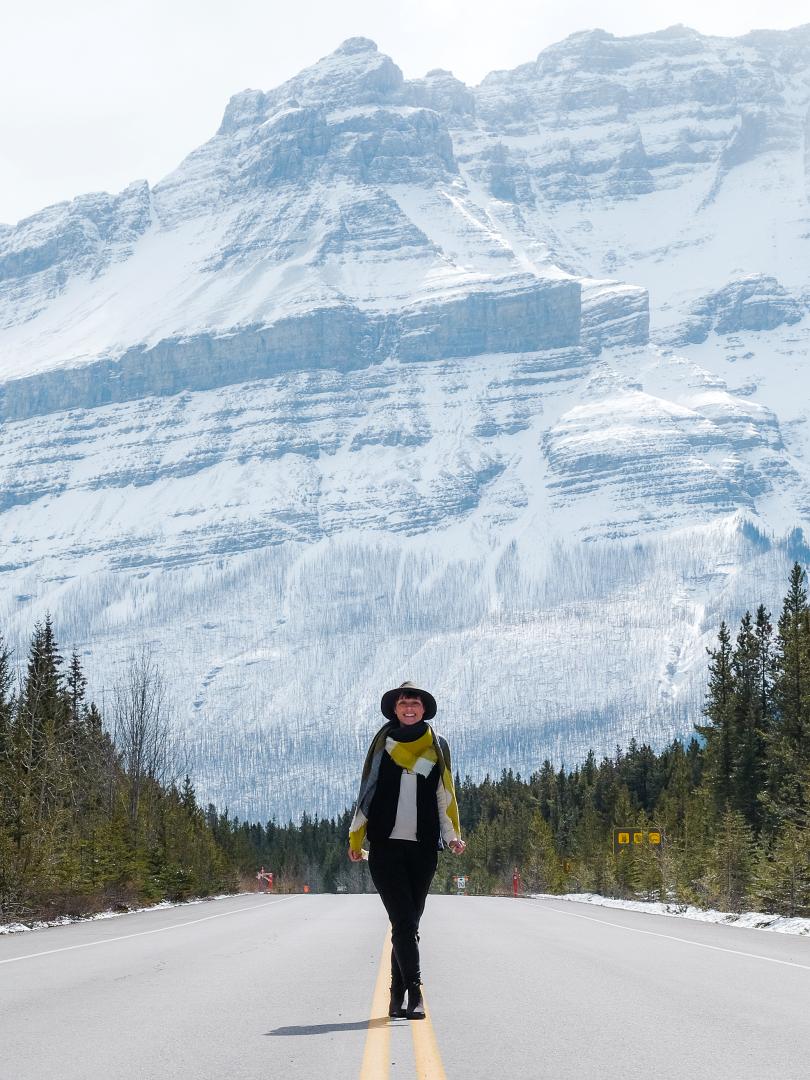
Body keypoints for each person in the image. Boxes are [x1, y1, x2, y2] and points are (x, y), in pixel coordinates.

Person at [348, 681, 466, 1020]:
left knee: (408, 924)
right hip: (385, 847)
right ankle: (415, 993)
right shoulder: (382, 745)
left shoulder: (438, 746)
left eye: (414, 702)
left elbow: (445, 795)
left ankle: (395, 995)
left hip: (423, 848)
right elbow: (367, 793)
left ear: (424, 709)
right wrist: (356, 839)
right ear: (395, 710)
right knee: (402, 920)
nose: (409, 707)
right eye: (403, 703)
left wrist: (452, 836)